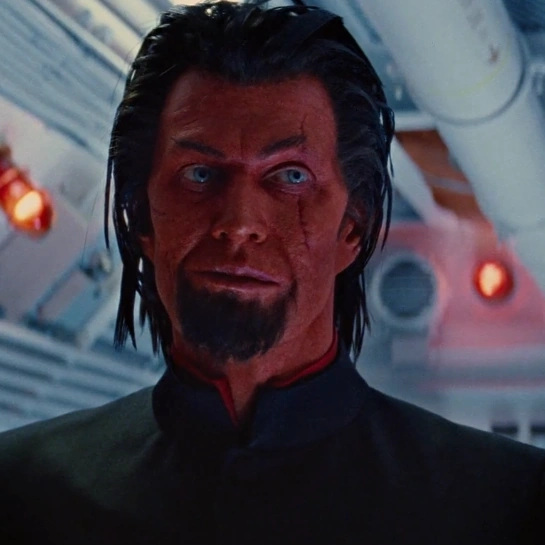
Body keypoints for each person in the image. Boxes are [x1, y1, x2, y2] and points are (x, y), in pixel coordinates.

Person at [0, 1, 543, 543]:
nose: (239, 223)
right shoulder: (20, 494)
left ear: (352, 228)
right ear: (142, 216)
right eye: (199, 173)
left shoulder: (511, 506)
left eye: (291, 176)